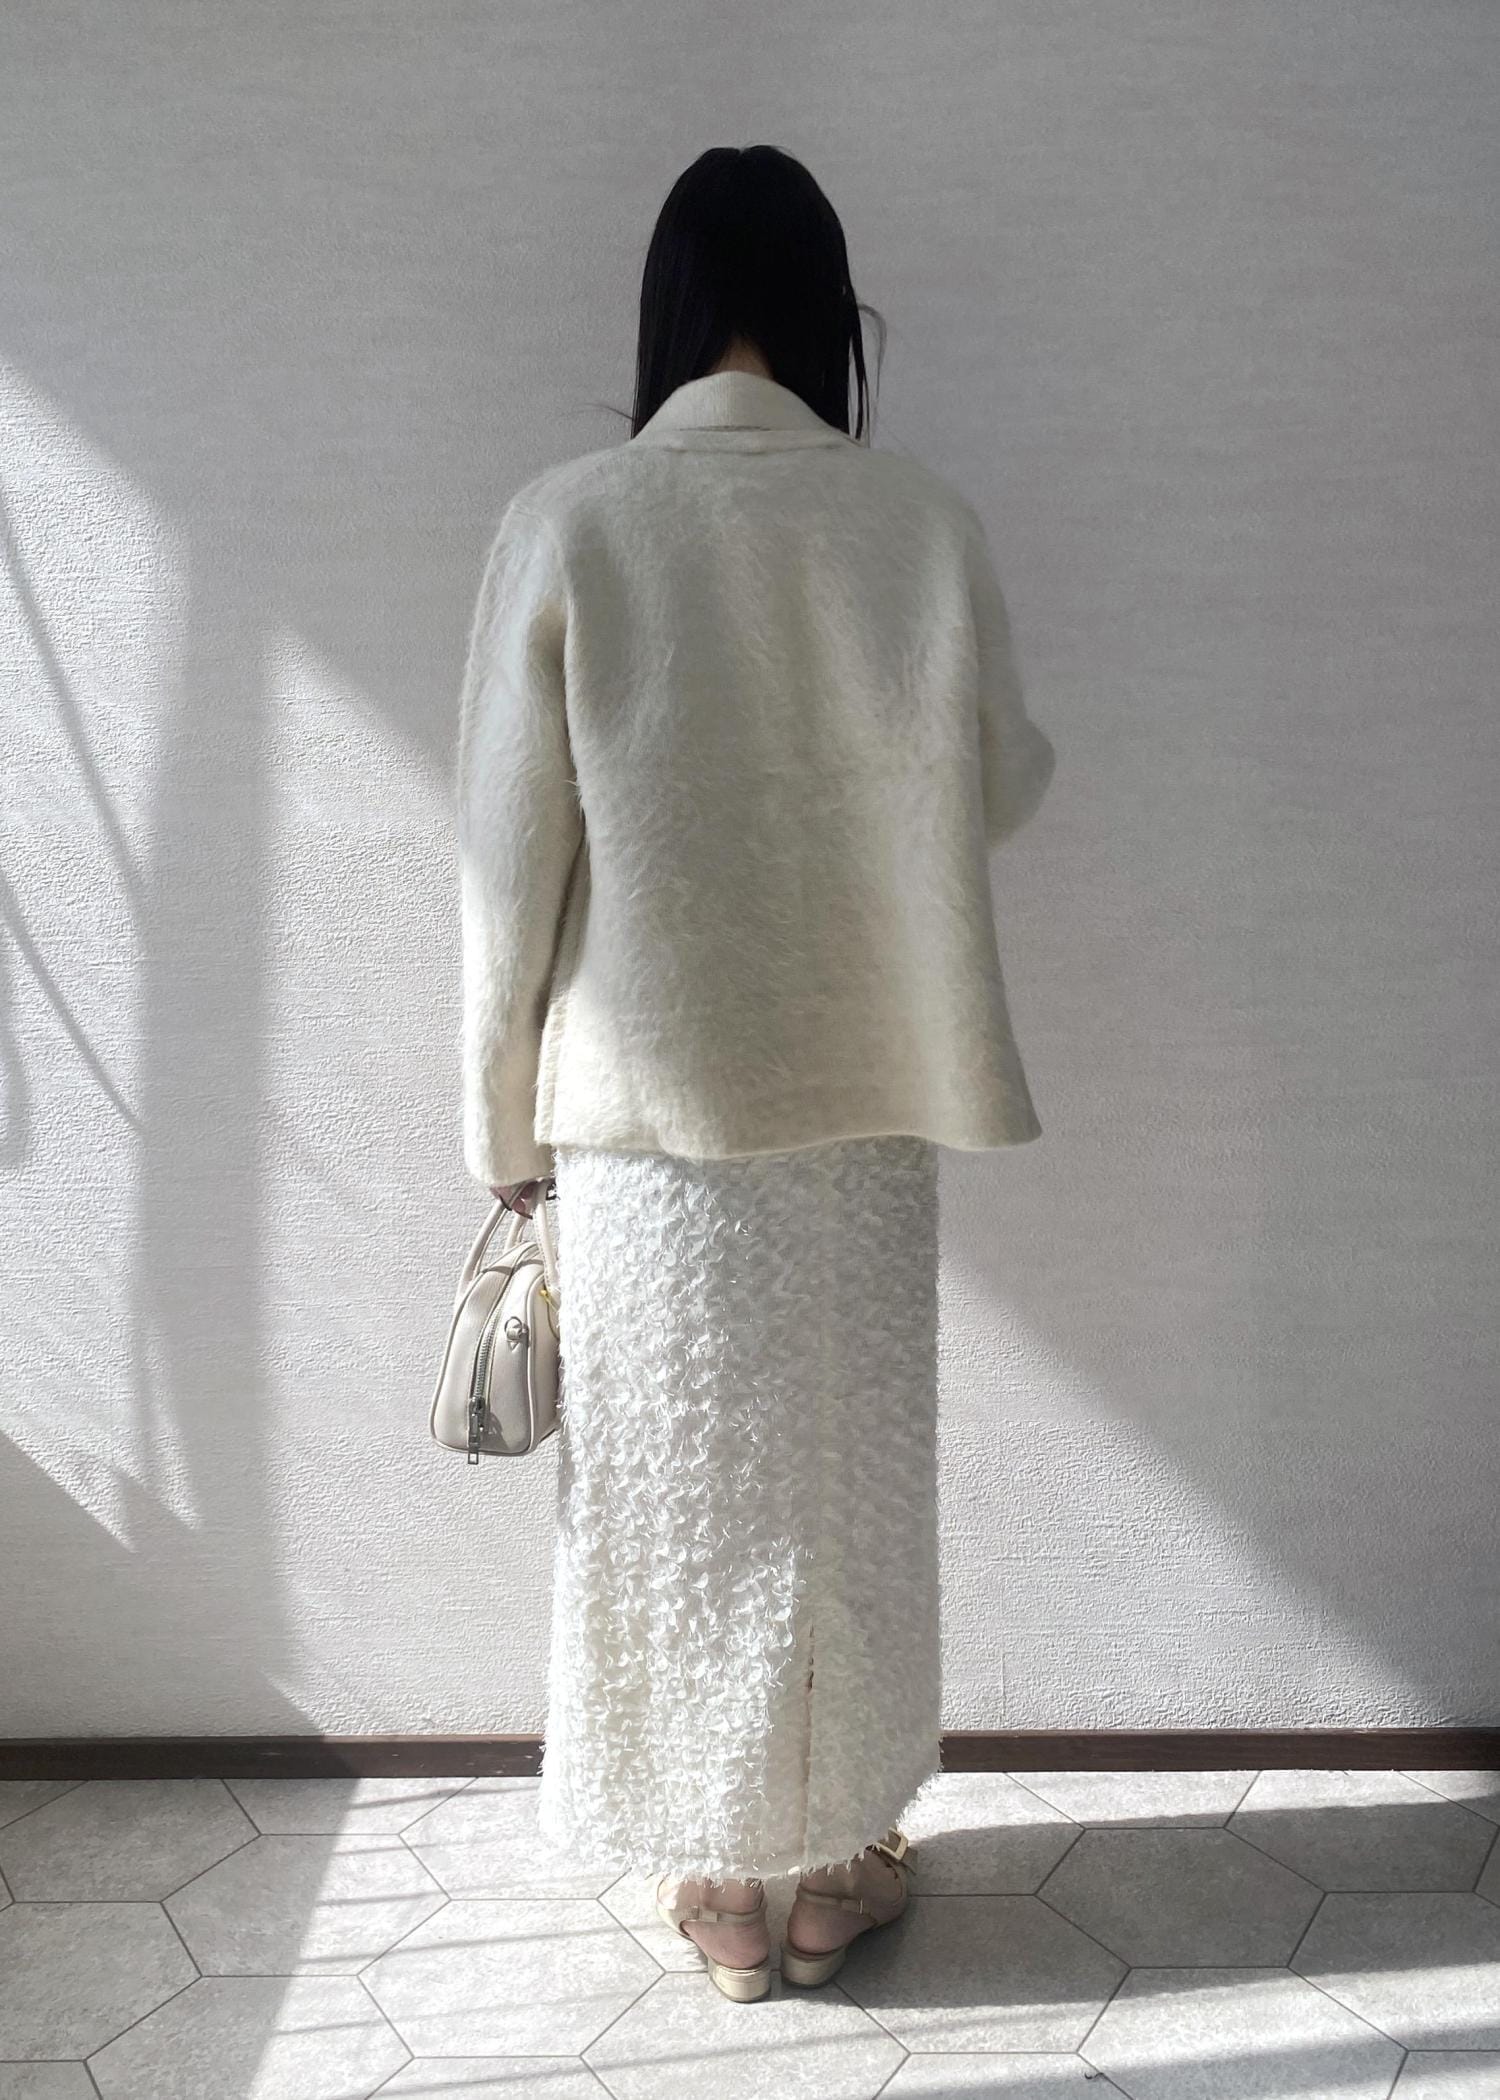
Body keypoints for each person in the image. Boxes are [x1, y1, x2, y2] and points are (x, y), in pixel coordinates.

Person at [457, 143, 1056, 2003]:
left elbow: (506, 863)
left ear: (665, 313)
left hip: (646, 1116)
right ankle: (839, 1868)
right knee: (843, 1495)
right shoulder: (916, 521)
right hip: (863, 1091)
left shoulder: (570, 520)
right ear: (825, 316)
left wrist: (497, 1126)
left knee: (668, 1498)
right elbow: (1004, 781)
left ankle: (717, 1888)